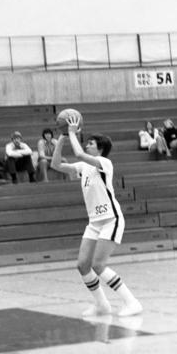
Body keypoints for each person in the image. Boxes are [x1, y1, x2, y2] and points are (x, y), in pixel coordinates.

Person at [51, 115, 143, 317]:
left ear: (100, 149)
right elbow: (56, 166)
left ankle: (132, 302)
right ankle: (102, 305)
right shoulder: (83, 168)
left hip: (111, 219)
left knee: (98, 264)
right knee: (82, 265)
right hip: (94, 222)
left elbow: (80, 154)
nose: (87, 144)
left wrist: (73, 133)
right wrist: (61, 140)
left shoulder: (104, 163)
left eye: (91, 143)